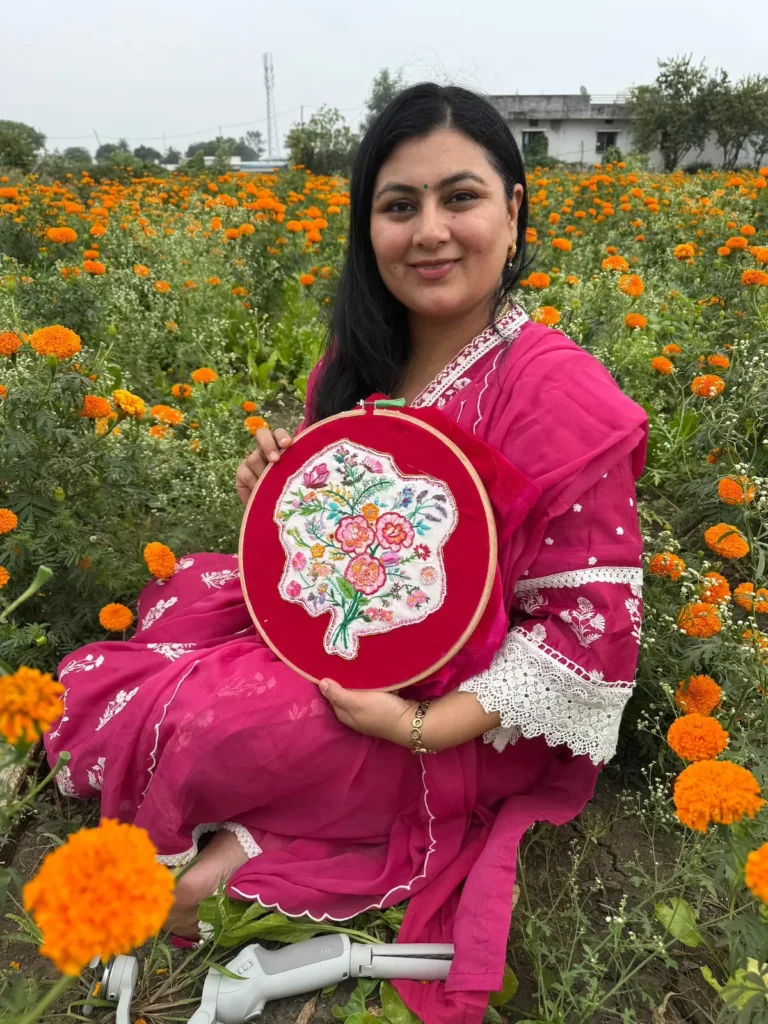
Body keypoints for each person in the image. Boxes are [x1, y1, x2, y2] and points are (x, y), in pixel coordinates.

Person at [45, 84, 647, 1024]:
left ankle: (215, 866)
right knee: (187, 604)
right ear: (369, 224)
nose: (431, 232)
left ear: (515, 207)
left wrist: (416, 727)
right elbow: (333, 531)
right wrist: (275, 496)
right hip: (342, 643)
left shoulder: (560, 393)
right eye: (399, 206)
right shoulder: (364, 354)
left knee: (229, 725)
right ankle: (232, 841)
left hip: (460, 709)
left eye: (461, 197)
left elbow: (585, 638)